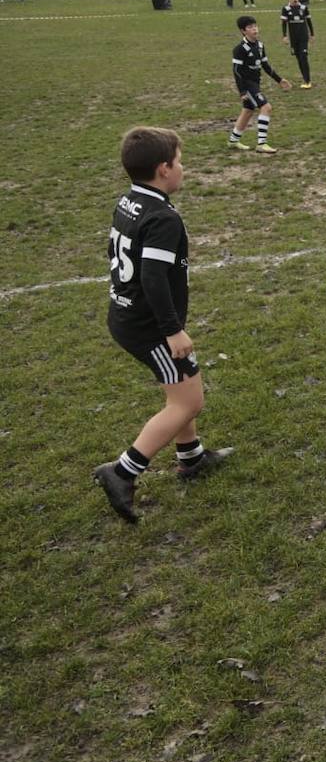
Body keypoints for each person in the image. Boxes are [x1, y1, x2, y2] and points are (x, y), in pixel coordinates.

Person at [93, 127, 234, 523]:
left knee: (180, 389)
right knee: (190, 400)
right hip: (150, 326)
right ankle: (122, 472)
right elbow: (154, 278)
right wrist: (172, 331)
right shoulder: (162, 217)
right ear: (163, 169)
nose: (183, 167)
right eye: (180, 160)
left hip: (126, 315)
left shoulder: (130, 200)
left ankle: (191, 459)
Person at [229, 15, 290, 153]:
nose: (254, 29)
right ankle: (261, 144)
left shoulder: (260, 45)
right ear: (243, 31)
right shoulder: (239, 49)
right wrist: (242, 91)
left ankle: (233, 140)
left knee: (248, 111)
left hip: (256, 83)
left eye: (255, 26)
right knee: (266, 107)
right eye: (250, 27)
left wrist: (279, 80)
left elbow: (266, 66)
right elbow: (236, 71)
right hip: (247, 84)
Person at [279, 0, 314, 89]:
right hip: (294, 38)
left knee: (303, 56)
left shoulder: (303, 8)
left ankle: (308, 81)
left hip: (303, 37)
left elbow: (309, 21)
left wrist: (312, 34)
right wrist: (284, 36)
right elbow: (284, 24)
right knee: (298, 58)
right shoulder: (285, 9)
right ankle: (305, 78)